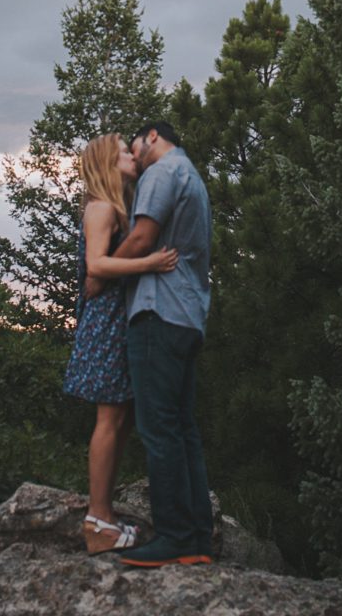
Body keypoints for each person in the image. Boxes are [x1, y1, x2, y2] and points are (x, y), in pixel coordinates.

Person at [60, 133, 179, 554]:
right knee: (109, 421)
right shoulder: (102, 207)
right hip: (106, 323)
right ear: (106, 163)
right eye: (125, 153)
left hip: (116, 319)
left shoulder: (115, 208)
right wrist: (149, 261)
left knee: (121, 419)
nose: (133, 155)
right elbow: (96, 263)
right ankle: (97, 520)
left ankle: (105, 514)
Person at [110, 120, 215, 567]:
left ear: (152, 136)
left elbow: (142, 238)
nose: (134, 155)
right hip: (189, 314)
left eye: (135, 145)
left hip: (159, 311)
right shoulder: (192, 174)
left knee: (158, 429)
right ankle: (196, 539)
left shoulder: (161, 172)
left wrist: (101, 267)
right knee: (182, 428)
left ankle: (173, 536)